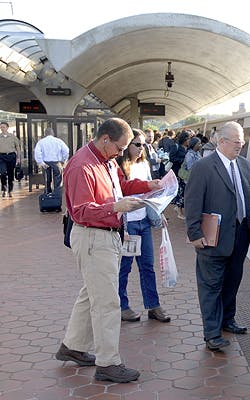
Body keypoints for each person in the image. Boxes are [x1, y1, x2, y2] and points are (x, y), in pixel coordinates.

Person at [55, 118, 162, 383]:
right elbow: (80, 210)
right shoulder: (82, 166)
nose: (122, 152)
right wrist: (115, 208)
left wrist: (148, 186)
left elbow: (120, 187)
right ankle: (108, 363)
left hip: (105, 236)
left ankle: (73, 346)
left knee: (91, 295)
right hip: (93, 237)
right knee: (106, 303)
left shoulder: (106, 161)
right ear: (105, 139)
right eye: (120, 147)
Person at [184, 121, 250, 351]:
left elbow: (249, 197)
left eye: (243, 141)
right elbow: (193, 201)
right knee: (211, 285)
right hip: (212, 236)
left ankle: (228, 319)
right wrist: (194, 233)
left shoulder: (244, 165)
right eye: (237, 142)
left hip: (241, 234)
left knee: (232, 280)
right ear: (222, 141)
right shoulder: (204, 167)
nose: (241, 145)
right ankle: (212, 333)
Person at [116, 129, 171, 324]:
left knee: (147, 265)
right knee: (125, 267)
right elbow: (119, 195)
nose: (141, 148)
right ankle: (122, 306)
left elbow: (151, 194)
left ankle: (153, 305)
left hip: (144, 222)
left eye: (143, 145)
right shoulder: (119, 168)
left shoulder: (145, 164)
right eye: (136, 144)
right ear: (127, 146)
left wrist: (159, 212)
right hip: (128, 223)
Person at [33, 127, 69, 194]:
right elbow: (66, 151)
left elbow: (37, 153)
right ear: (53, 133)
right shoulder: (59, 141)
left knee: (47, 180)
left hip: (46, 163)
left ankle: (48, 193)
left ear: (45, 134)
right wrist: (63, 160)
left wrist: (41, 163)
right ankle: (56, 194)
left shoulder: (41, 142)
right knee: (58, 179)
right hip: (56, 162)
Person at [0, 121, 21, 198]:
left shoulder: (13, 137)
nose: (2, 128)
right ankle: (4, 189)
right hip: (1, 157)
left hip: (11, 156)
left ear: (7, 127)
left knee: (10, 173)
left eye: (3, 127)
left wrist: (18, 158)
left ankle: (10, 190)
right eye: (1, 127)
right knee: (2, 173)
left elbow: (18, 148)